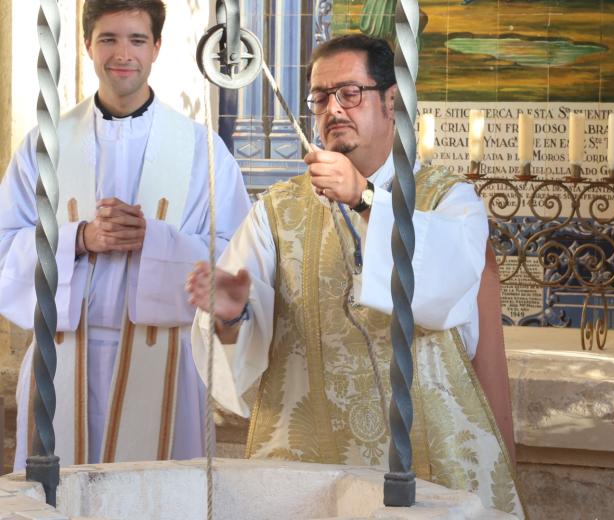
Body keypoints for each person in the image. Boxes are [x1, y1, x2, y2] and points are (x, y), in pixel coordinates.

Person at [187, 34, 523, 516]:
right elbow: (239, 356)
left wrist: (365, 198)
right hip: (310, 474)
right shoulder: (276, 213)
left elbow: (443, 291)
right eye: (320, 97)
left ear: (391, 101)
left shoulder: (447, 200)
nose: (333, 109)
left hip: (425, 466)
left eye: (350, 93)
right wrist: (230, 315)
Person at [0, 0, 251, 469]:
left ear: (156, 47)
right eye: (109, 39)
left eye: (137, 40)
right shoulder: (44, 144)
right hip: (64, 355)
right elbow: (3, 242)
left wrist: (154, 241)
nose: (123, 54)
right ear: (88, 45)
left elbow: (234, 255)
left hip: (166, 365)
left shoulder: (202, 150)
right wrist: (78, 239)